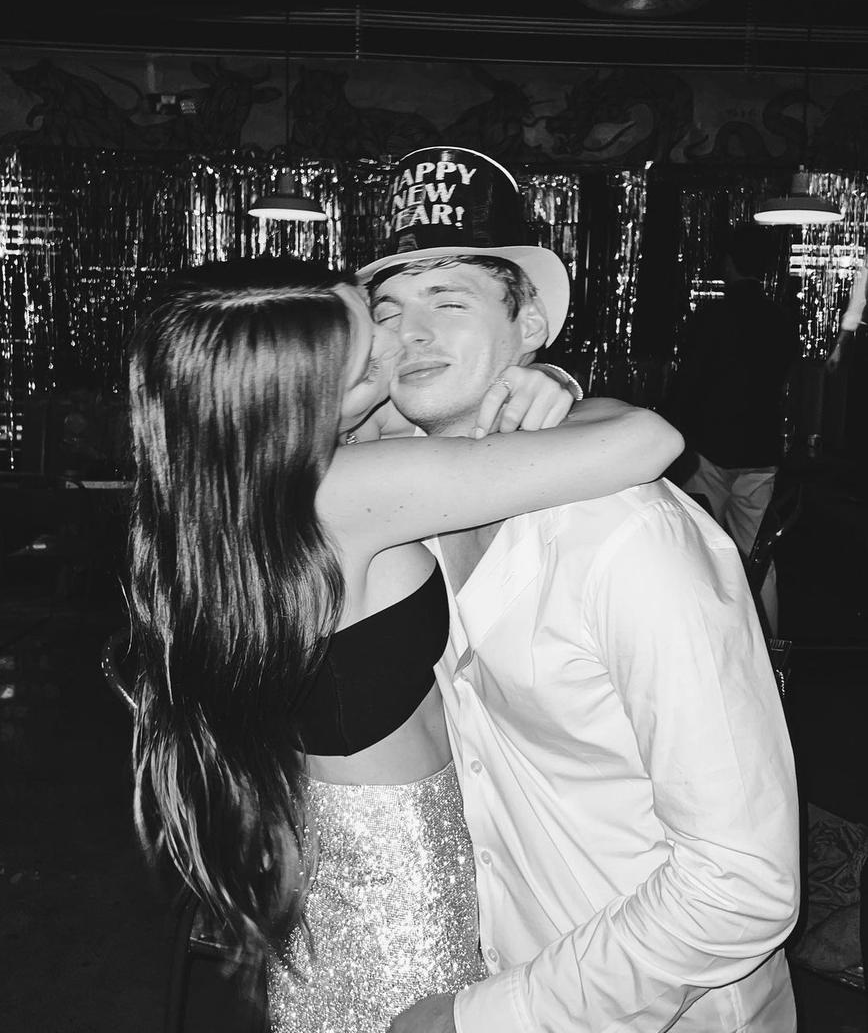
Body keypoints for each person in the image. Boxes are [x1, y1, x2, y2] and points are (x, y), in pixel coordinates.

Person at [127, 255, 682, 1033]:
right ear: (298, 397)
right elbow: (647, 440)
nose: (397, 347)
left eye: (375, 318)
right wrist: (559, 391)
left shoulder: (232, 485)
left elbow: (466, 428)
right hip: (401, 883)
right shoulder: (344, 491)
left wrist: (543, 380)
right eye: (367, 358)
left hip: (344, 852)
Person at [356, 147, 801, 1033]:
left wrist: (483, 1018)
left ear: (529, 325)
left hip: (666, 1007)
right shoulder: (410, 504)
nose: (412, 334)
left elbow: (742, 884)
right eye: (389, 310)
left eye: (449, 300)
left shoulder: (628, 539)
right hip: (501, 959)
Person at [667, 223, 801, 635]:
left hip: (709, 449)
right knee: (758, 555)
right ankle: (769, 646)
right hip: (759, 448)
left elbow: (690, 384)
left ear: (728, 263)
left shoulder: (712, 316)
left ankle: (701, 638)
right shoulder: (781, 319)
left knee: (696, 548)